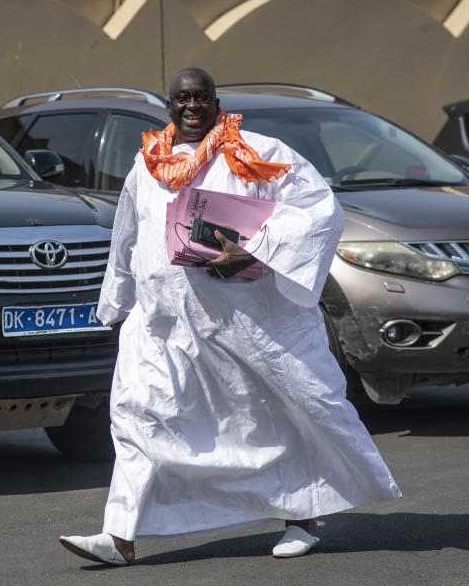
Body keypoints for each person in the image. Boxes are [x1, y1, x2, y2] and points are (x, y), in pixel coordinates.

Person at [60, 68, 400, 565]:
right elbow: (126, 234)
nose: (191, 106)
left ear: (217, 102)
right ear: (168, 106)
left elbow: (317, 210)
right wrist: (117, 301)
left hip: (246, 324)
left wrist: (254, 251)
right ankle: (120, 538)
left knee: (279, 415)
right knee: (139, 418)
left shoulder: (255, 153)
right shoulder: (148, 163)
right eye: (182, 98)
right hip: (163, 327)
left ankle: (302, 517)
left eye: (201, 97)